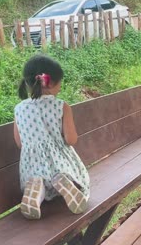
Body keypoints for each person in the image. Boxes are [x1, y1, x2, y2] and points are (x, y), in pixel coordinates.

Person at [13, 54, 90, 219]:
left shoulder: (19, 108)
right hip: (59, 163)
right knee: (75, 175)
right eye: (60, 83)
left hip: (31, 166)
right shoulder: (61, 106)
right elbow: (71, 140)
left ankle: (36, 190)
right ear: (51, 82)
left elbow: (20, 143)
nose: (61, 87)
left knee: (38, 180)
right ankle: (66, 180)